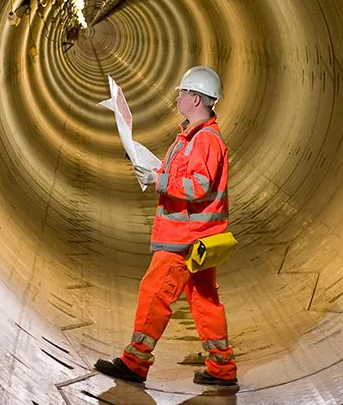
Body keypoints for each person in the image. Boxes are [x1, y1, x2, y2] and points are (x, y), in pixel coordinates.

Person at [95, 66, 239, 387]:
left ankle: (135, 362)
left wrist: (158, 179)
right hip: (198, 238)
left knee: (155, 292)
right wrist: (157, 169)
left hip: (185, 238)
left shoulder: (205, 141)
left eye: (184, 92)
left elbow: (199, 186)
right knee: (203, 301)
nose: (179, 96)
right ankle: (222, 368)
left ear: (198, 99)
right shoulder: (191, 137)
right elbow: (188, 177)